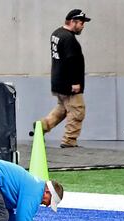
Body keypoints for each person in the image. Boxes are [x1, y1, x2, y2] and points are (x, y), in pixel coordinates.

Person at [38, 9, 91, 148]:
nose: (83, 26)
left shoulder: (56, 33)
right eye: (81, 23)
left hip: (58, 81)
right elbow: (72, 62)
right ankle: (69, 141)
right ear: (73, 22)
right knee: (78, 111)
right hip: (69, 84)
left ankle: (41, 127)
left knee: (62, 109)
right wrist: (75, 83)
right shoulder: (69, 39)